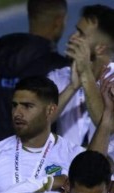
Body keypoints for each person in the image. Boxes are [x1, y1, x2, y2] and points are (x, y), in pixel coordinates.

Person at [0, 0, 69, 141]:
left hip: (2, 154)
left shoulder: (0, 57)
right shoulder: (59, 68)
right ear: (59, 21)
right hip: (42, 158)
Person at [48, 4, 114, 151]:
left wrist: (85, 74)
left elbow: (108, 126)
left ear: (100, 48)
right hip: (65, 171)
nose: (72, 37)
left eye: (81, 34)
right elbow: (39, 121)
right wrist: (72, 87)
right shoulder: (59, 77)